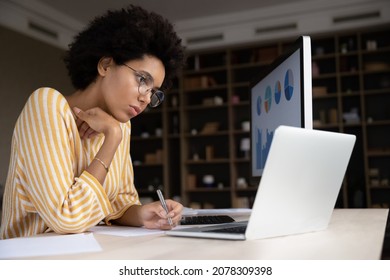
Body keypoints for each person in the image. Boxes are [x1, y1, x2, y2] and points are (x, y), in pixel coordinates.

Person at [0, 5, 186, 239]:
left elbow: (119, 203)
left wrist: (144, 215)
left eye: (153, 92)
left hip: (85, 255)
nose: (145, 98)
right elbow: (67, 218)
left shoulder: (120, 124)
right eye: (142, 79)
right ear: (105, 65)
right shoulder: (46, 106)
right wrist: (112, 139)